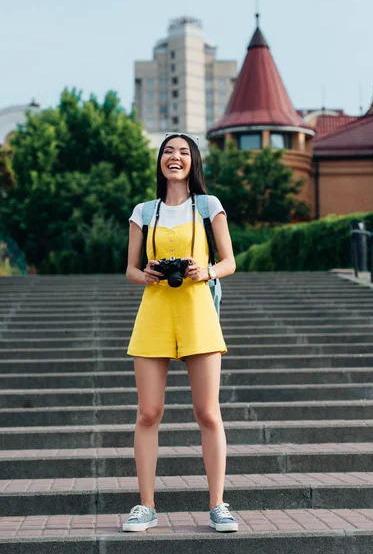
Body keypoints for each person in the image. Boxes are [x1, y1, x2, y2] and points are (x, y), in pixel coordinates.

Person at [123, 133, 237, 533]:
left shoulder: (208, 206)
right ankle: (146, 506)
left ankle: (218, 505)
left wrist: (205, 270)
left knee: (208, 412)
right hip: (155, 311)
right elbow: (130, 270)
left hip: (197, 312)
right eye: (168, 151)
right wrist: (148, 273)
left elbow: (229, 262)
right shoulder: (143, 211)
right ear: (160, 161)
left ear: (194, 162)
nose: (175, 157)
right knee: (148, 413)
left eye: (183, 152)